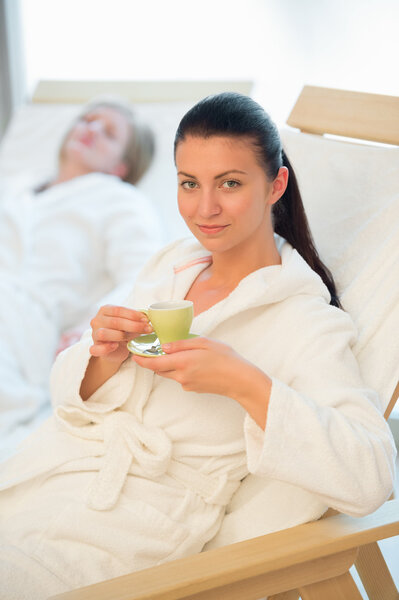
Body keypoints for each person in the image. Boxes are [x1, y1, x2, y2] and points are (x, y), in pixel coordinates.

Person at [0, 92, 396, 599]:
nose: (204, 209)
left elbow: (370, 477)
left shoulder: (304, 320)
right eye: (190, 184)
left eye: (229, 184)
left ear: (276, 185)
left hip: (120, 532)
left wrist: (243, 382)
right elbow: (69, 402)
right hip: (43, 479)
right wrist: (100, 357)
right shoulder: (173, 264)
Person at [0, 98, 162, 457]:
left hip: (27, 326)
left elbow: (145, 273)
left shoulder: (121, 201)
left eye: (109, 133)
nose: (90, 129)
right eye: (87, 120)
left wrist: (93, 327)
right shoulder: (15, 190)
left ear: (122, 165)